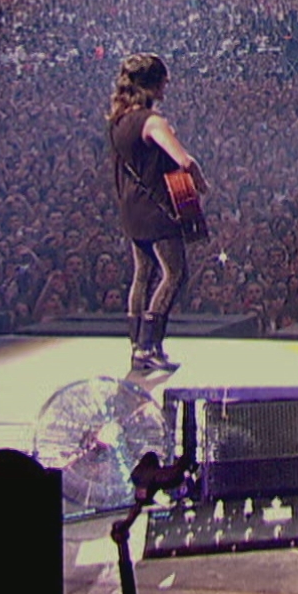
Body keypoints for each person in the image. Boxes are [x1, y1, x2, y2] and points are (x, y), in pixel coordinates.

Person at [107, 53, 207, 373]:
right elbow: (184, 161)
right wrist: (201, 183)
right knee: (175, 273)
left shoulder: (119, 121)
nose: (167, 85)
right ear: (153, 82)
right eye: (164, 79)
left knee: (144, 273)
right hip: (157, 209)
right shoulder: (151, 121)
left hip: (131, 207)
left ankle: (137, 345)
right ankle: (151, 345)